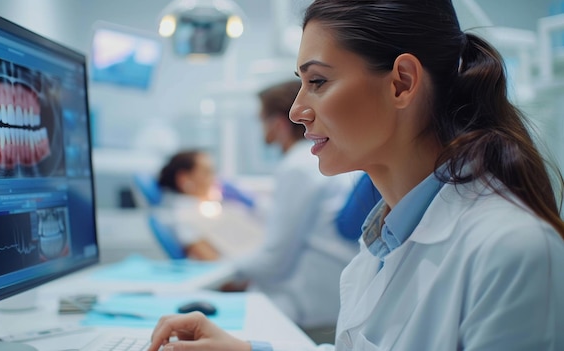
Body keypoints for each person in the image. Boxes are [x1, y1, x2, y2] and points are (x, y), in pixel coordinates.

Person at [147, 0, 564, 350]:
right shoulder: (383, 241)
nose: (296, 111)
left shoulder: (513, 251)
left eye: (318, 81)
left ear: (401, 83)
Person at [221, 79, 366, 340]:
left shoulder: (297, 166)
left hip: (307, 312)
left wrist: (219, 269)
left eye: (261, 120)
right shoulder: (315, 161)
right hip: (333, 299)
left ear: (277, 124)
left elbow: (272, 262)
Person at [156, 149, 264, 260]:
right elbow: (213, 260)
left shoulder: (210, 207)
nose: (215, 179)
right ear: (184, 179)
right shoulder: (183, 217)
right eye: (207, 172)